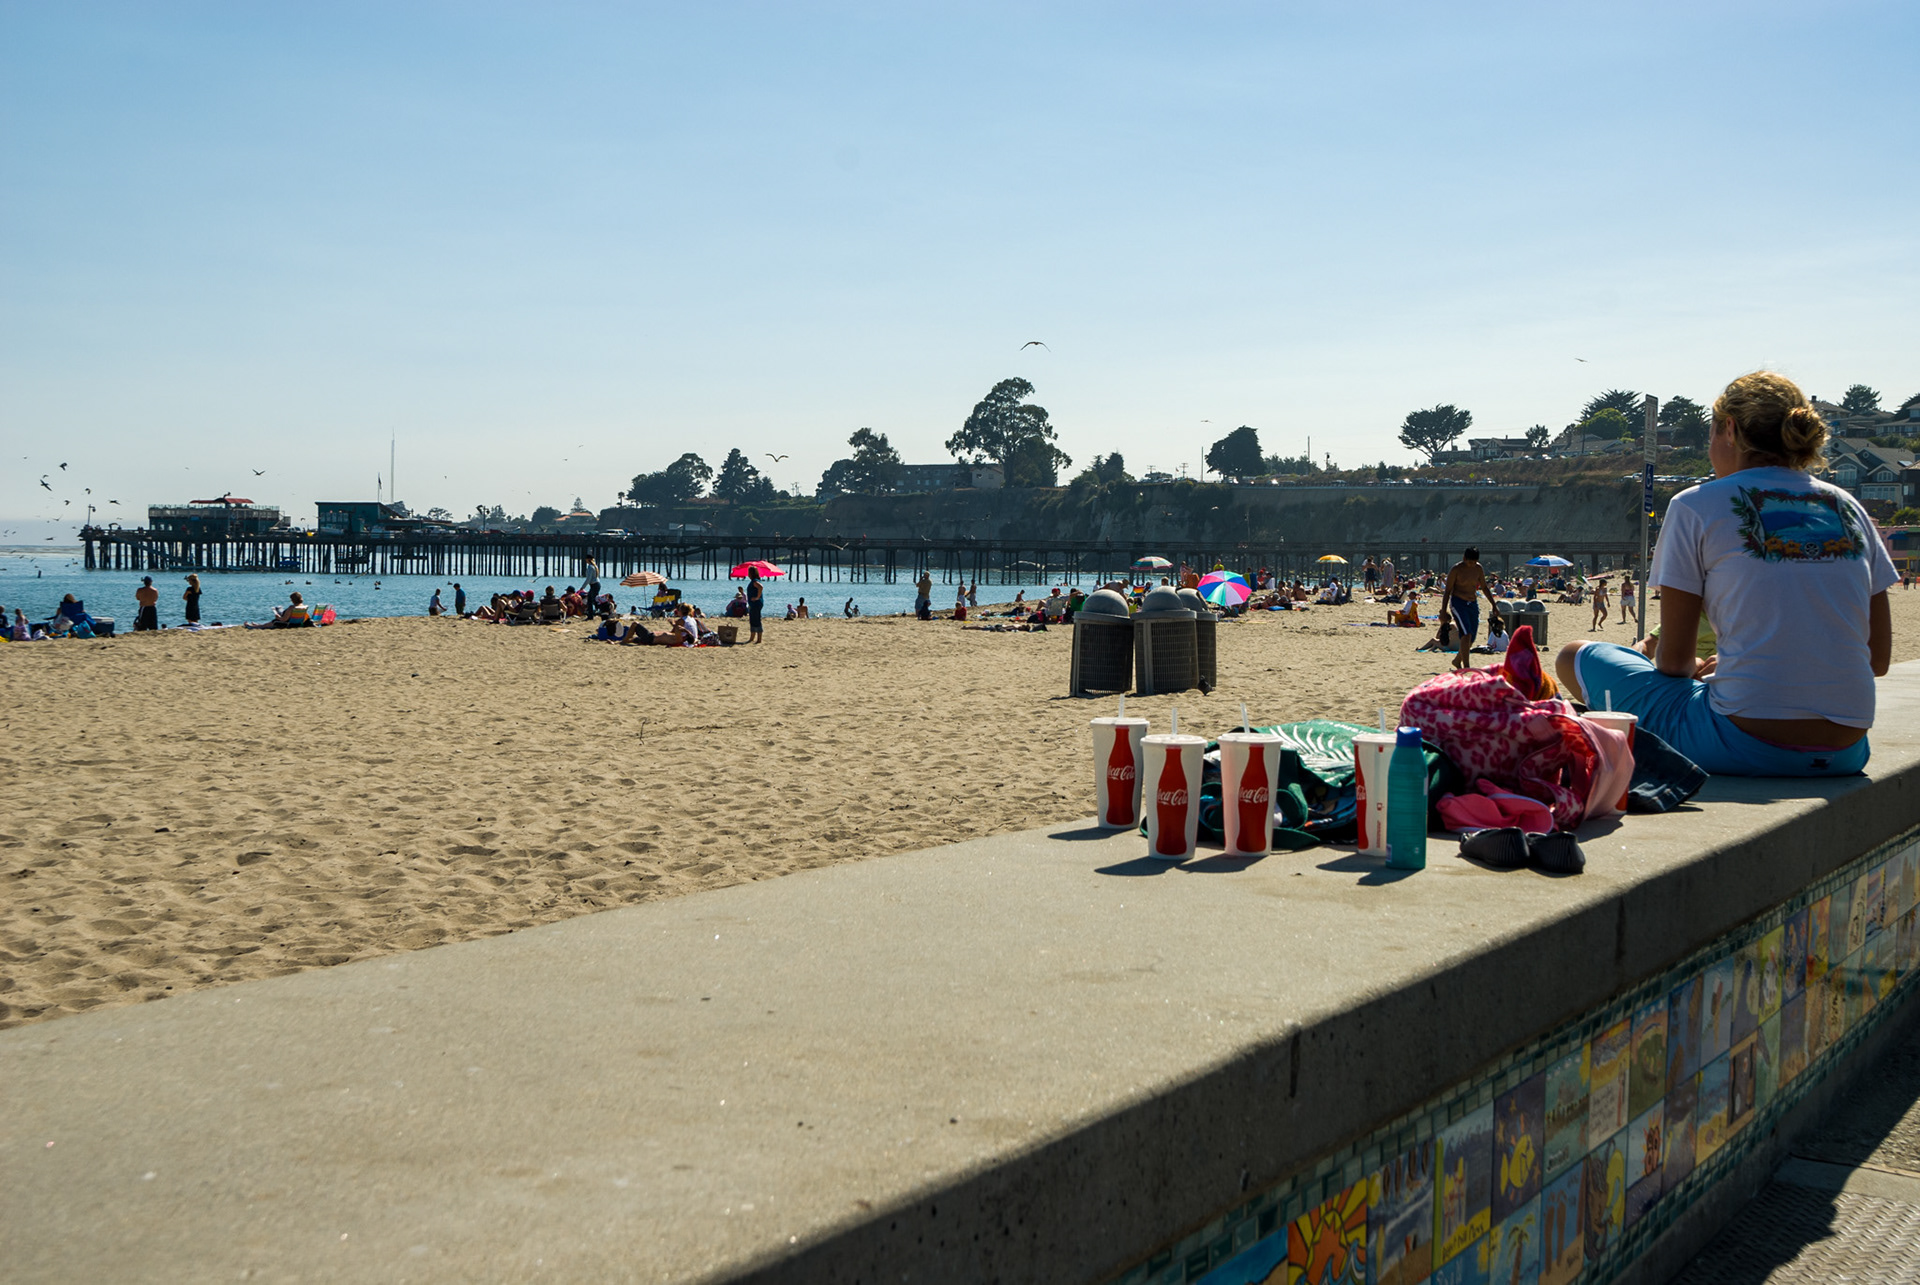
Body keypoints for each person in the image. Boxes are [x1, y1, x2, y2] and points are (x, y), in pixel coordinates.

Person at [1556, 371, 1895, 776]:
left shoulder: (1695, 505)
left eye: (1712, 434)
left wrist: (1716, 672)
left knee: (1574, 655)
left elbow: (1674, 663)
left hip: (1737, 743)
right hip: (1847, 750)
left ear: (1730, 429)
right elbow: (1877, 659)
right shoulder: (1848, 507)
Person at [1438, 548, 1502, 672]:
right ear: (1464, 558)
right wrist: (1443, 611)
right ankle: (1467, 667)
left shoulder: (1478, 568)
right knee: (1466, 634)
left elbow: (1484, 587)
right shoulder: (1456, 570)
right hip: (1458, 603)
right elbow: (1447, 591)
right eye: (1469, 562)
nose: (1472, 565)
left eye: (1474, 562)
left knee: (1471, 638)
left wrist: (1494, 605)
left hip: (1472, 603)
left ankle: (1457, 660)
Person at [747, 567, 765, 642]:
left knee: (756, 620)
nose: (748, 574)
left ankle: (759, 639)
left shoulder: (755, 581)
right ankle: (752, 637)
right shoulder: (754, 581)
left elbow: (761, 587)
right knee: (753, 620)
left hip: (756, 603)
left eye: (749, 572)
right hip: (754, 603)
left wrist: (757, 597)